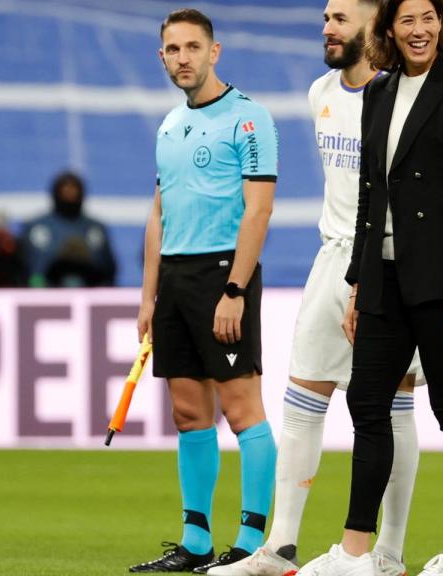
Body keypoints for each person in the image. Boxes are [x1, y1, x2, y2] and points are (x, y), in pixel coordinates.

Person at [208, 2, 423, 576]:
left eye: (341, 18)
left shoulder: (404, 96)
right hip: (332, 258)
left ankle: (389, 553)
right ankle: (279, 548)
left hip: (389, 261)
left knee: (393, 404)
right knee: (302, 397)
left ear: (373, 26)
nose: (327, 27)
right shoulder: (320, 93)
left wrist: (374, 275)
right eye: (326, 16)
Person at [296, 0, 443, 575]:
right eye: (407, 20)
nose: (420, 30)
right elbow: (371, 196)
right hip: (384, 277)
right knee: (367, 404)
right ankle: (356, 554)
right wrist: (359, 281)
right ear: (389, 29)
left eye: (429, 19)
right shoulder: (379, 93)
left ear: (441, 25)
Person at [129, 9, 280, 574]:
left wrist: (235, 289)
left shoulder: (249, 118)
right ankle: (195, 544)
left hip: (223, 275)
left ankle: (252, 542)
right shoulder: (169, 126)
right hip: (174, 280)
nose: (183, 57)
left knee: (243, 411)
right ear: (162, 56)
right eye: (173, 49)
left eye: (193, 47)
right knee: (189, 414)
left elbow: (259, 210)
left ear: (214, 52)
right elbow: (159, 212)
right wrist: (149, 296)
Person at [18, 171, 117, 287]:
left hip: (91, 295)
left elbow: (109, 270)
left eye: (74, 189)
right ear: (55, 193)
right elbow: (24, 268)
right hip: (41, 295)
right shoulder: (35, 227)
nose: (69, 193)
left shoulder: (96, 229)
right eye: (65, 189)